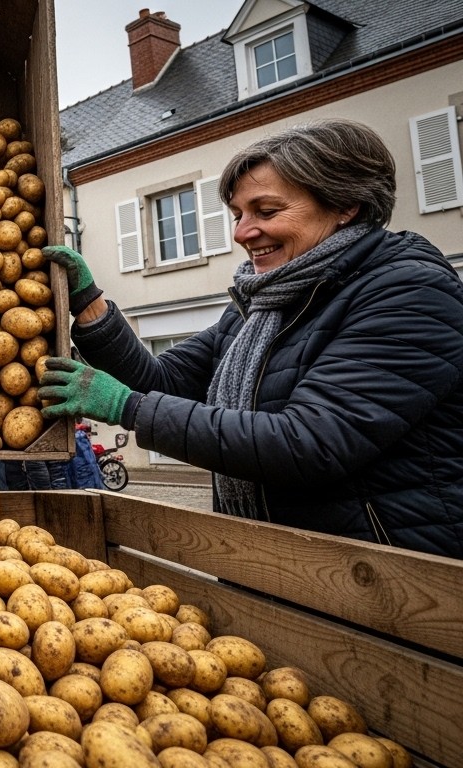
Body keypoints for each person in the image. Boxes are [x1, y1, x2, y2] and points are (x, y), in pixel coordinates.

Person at [36, 118, 463, 558]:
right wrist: (89, 303)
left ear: (345, 205)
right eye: (239, 214)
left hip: (390, 577)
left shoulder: (410, 292)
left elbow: (310, 443)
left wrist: (126, 408)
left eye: (267, 211)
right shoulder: (260, 307)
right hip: (273, 560)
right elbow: (159, 379)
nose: (242, 232)